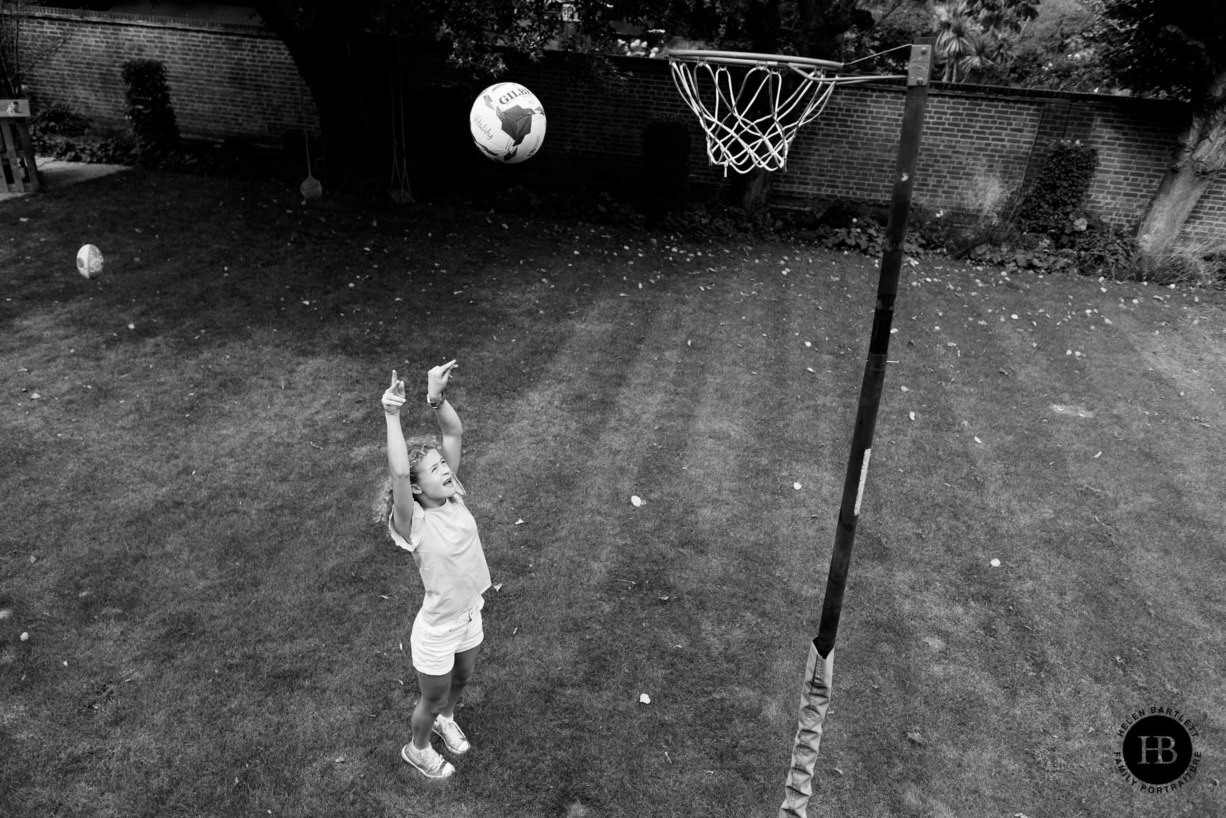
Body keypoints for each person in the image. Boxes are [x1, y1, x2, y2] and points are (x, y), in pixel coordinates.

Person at [381, 360, 491, 780]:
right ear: (414, 487)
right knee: (433, 697)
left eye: (443, 466)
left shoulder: (453, 496)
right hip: (438, 627)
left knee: (462, 679)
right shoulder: (415, 524)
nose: (446, 469)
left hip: (469, 611)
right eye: (433, 469)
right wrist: (393, 415)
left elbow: (453, 432)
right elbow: (397, 468)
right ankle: (419, 747)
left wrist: (435, 398)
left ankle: (448, 720)